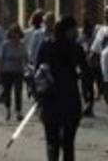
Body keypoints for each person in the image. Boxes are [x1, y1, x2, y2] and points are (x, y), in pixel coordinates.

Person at [36, 15, 86, 161]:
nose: (76, 32)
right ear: (68, 30)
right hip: (70, 101)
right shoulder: (75, 48)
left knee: (52, 142)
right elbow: (86, 71)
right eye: (74, 29)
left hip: (50, 100)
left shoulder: (46, 46)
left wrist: (38, 95)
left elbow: (38, 73)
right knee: (68, 143)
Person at [0, 23, 27, 122]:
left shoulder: (22, 45)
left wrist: (26, 67)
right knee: (7, 92)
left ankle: (18, 111)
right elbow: (1, 59)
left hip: (18, 71)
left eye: (17, 33)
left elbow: (25, 58)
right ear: (11, 34)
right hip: (7, 71)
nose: (16, 36)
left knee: (18, 91)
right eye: (14, 33)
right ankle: (8, 110)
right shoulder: (5, 45)